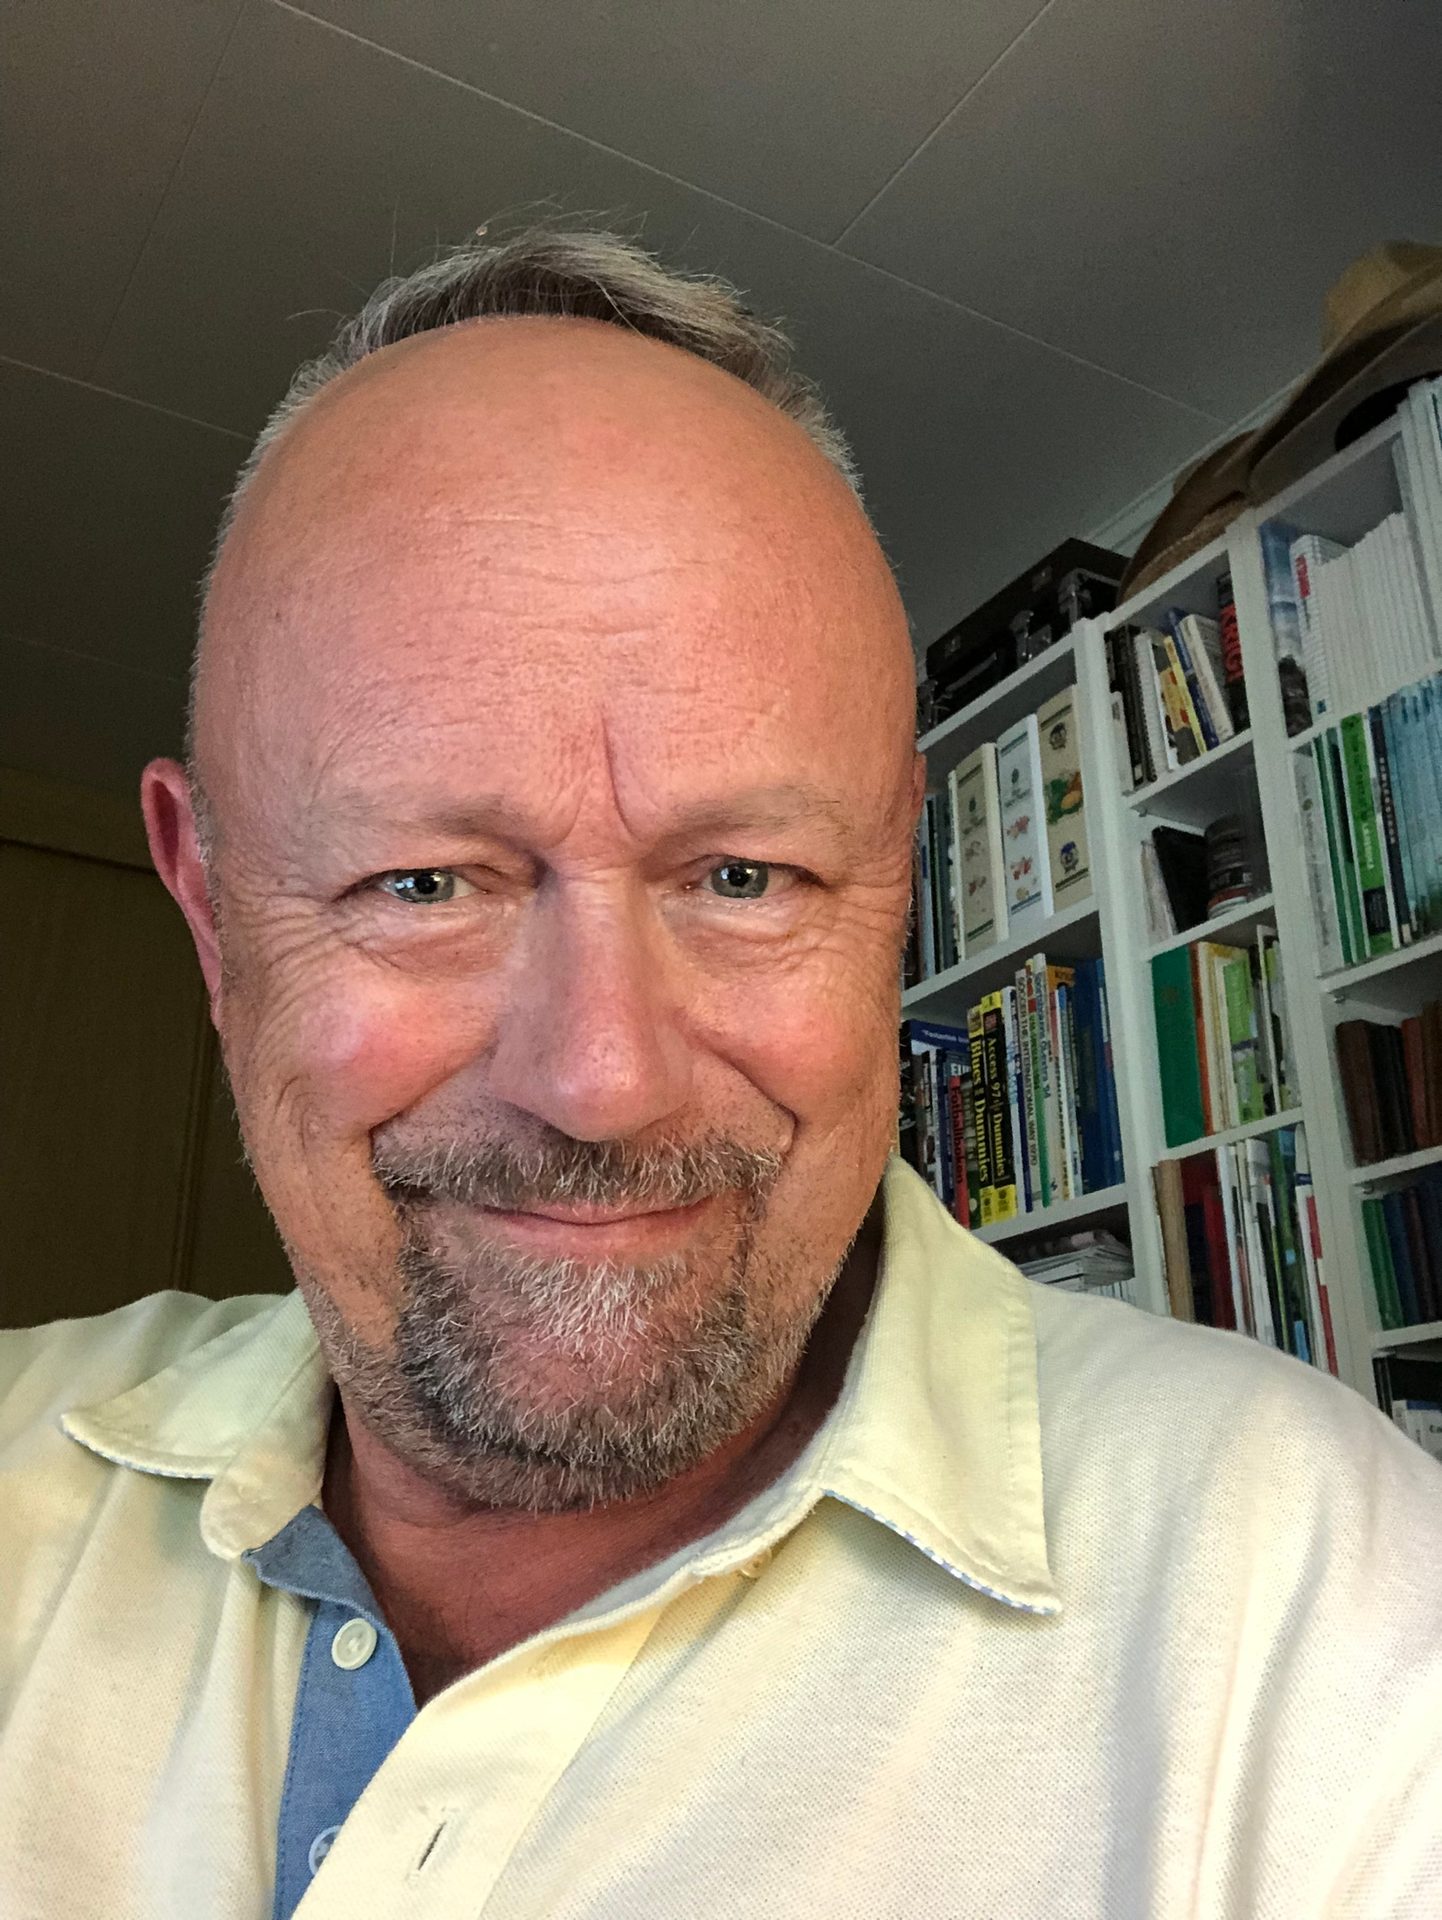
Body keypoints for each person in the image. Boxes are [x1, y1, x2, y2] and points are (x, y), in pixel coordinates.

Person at [2, 226, 1439, 1920]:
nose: (601, 1078)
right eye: (421, 884)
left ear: (900, 878)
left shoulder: (1319, 1598)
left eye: (743, 877)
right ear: (209, 915)